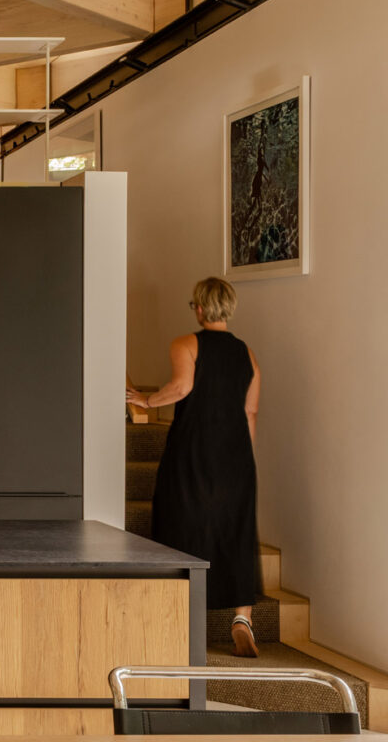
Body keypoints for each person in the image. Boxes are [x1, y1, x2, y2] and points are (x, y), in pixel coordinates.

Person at [126, 276, 264, 657]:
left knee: (182, 521)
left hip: (193, 450)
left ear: (200, 307)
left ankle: (181, 616)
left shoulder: (186, 343)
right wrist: (242, 459)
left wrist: (147, 400)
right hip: (236, 456)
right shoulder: (247, 353)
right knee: (234, 530)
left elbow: (182, 387)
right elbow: (250, 411)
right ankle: (242, 618)